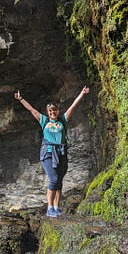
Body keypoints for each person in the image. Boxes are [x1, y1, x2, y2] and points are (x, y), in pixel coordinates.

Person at [14, 86, 90, 217]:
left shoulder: (63, 121)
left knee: (59, 181)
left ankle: (56, 207)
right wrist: (21, 99)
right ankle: (49, 208)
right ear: (48, 112)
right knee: (54, 179)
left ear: (58, 111)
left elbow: (72, 106)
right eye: (50, 111)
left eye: (54, 110)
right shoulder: (44, 120)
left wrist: (82, 94)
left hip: (61, 152)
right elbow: (31, 110)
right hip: (48, 153)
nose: (52, 112)